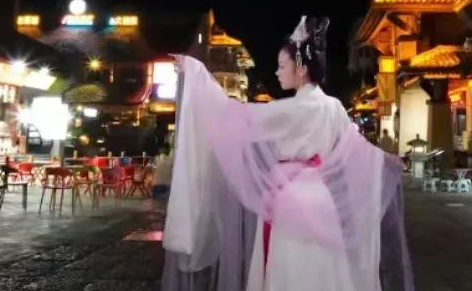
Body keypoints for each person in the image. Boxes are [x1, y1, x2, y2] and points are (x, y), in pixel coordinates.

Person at [162, 16, 413, 291]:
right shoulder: (333, 107)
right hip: (322, 199)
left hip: (290, 198)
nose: (278, 72)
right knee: (323, 269)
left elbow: (230, 114)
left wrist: (194, 72)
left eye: (282, 66)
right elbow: (359, 148)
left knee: (291, 269)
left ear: (301, 69)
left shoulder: (291, 110)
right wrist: (389, 161)